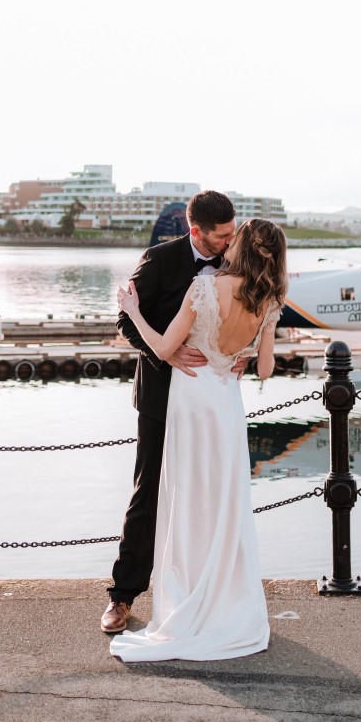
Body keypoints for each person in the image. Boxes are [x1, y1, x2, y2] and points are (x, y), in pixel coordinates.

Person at [109, 217, 287, 662]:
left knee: (183, 502)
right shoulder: (270, 299)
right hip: (226, 404)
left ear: (239, 244)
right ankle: (226, 603)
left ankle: (188, 600)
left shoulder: (206, 287)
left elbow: (166, 348)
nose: (226, 242)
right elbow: (265, 371)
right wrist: (243, 353)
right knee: (225, 502)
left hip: (190, 399)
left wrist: (130, 310)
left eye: (234, 236)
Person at [101, 190, 240, 634]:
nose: (228, 242)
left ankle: (206, 595)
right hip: (161, 398)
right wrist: (167, 353)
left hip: (210, 400)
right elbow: (126, 319)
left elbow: (252, 312)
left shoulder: (237, 261)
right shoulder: (159, 259)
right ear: (194, 229)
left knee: (209, 495)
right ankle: (122, 597)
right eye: (221, 236)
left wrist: (246, 353)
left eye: (232, 233)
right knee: (149, 495)